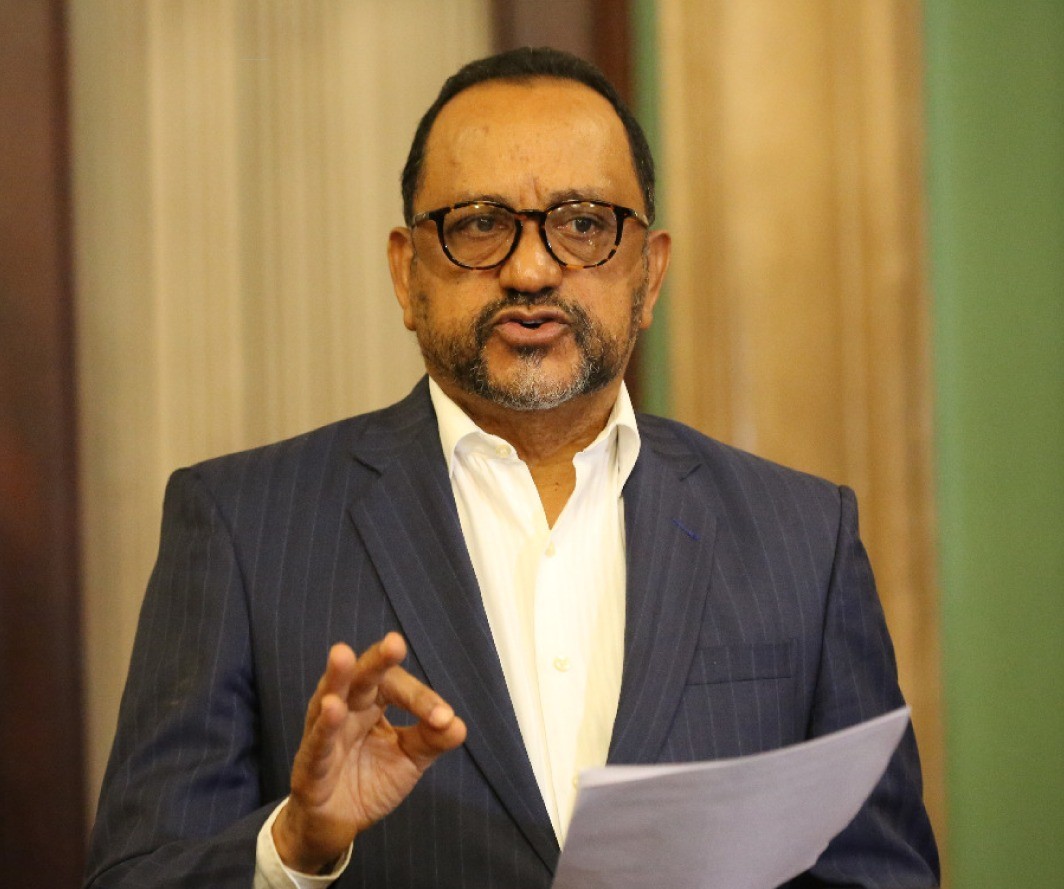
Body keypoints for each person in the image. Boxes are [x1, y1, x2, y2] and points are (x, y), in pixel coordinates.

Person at [84, 47, 939, 889]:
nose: (531, 270)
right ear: (406, 273)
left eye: (584, 224)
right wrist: (294, 847)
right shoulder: (243, 526)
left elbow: (883, 871)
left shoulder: (803, 538)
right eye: (479, 225)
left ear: (650, 274)